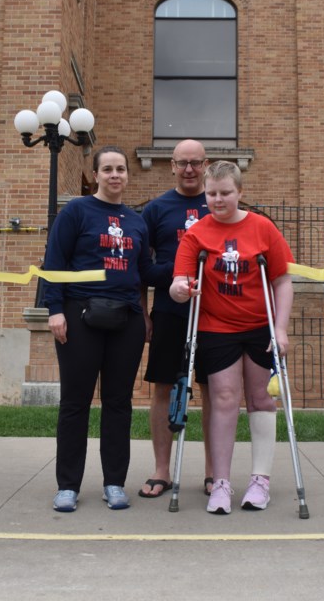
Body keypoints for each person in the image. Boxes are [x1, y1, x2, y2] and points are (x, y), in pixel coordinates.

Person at [171, 160, 293, 515]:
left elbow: (282, 281)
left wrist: (280, 328)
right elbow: (179, 281)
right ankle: (220, 482)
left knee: (261, 399)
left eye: (225, 193)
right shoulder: (196, 233)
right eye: (211, 194)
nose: (218, 200)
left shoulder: (263, 228)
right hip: (216, 327)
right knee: (224, 398)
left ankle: (260, 480)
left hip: (259, 327)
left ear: (240, 192)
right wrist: (181, 288)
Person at [44, 146, 152, 513]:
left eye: (121, 168)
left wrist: (184, 271)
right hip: (80, 315)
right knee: (75, 402)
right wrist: (55, 310)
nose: (115, 175)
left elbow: (146, 272)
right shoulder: (76, 211)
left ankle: (114, 483)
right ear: (96, 175)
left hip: (127, 319)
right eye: (107, 169)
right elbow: (54, 262)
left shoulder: (137, 221)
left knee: (119, 404)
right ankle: (68, 486)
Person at [138, 139, 213, 498]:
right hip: (169, 312)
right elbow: (142, 268)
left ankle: (215, 471)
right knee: (163, 388)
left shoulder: (219, 205)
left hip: (215, 315)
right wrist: (145, 312)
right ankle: (161, 470)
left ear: (206, 164)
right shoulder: (155, 210)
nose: (189, 170)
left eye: (195, 163)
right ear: (171, 165)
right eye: (182, 163)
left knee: (214, 390)